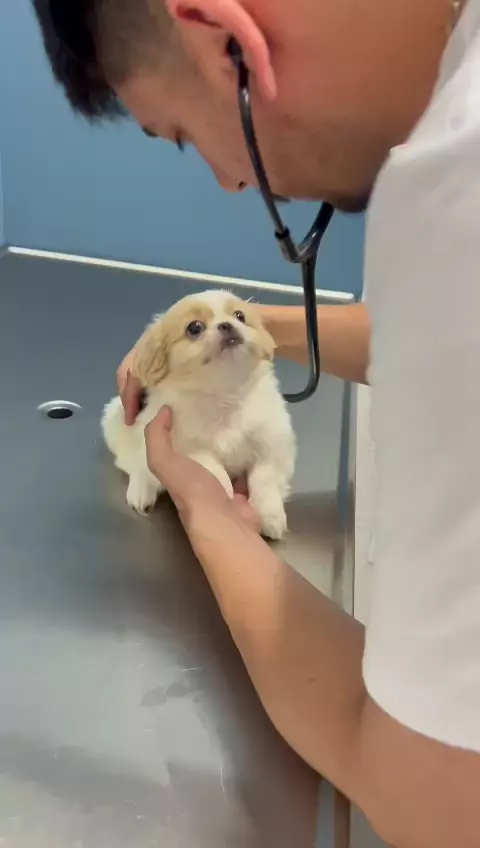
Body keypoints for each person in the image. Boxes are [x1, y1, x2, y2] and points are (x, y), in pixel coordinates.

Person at [33, 1, 480, 845]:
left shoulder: (455, 189)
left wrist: (207, 511)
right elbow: (441, 328)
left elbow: (433, 802)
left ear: (227, 44)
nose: (229, 181)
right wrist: (252, 327)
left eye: (182, 136)